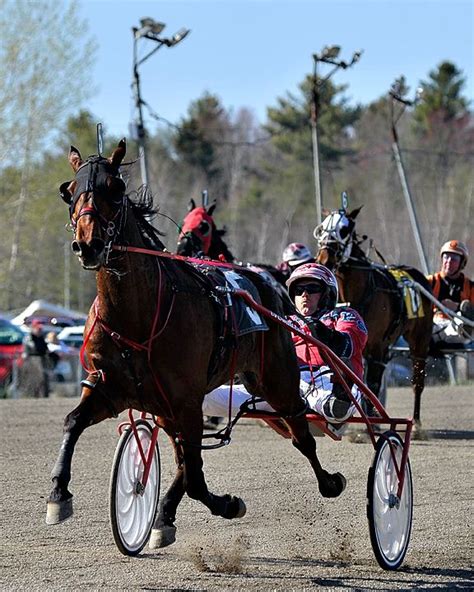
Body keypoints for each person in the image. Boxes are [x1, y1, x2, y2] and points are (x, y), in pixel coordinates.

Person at [203, 263, 368, 428]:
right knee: (203, 399)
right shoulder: (282, 320)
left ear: (328, 294)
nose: (304, 294)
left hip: (327, 377)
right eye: (298, 290)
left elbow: (348, 345)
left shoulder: (343, 315)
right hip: (282, 383)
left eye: (312, 288)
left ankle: (341, 399)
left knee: (332, 408)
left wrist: (323, 332)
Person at [427, 240, 474, 344]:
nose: (448, 261)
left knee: (462, 319)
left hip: (458, 328)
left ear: (462, 263)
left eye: (454, 259)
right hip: (434, 324)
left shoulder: (470, 287)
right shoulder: (430, 282)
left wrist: (457, 307)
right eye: (446, 257)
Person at [24, 320, 50, 397]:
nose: (40, 331)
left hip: (41, 359)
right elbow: (34, 348)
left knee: (44, 378)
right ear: (33, 328)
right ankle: (33, 395)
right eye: (38, 329)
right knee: (35, 379)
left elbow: (46, 349)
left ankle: (44, 395)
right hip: (33, 359)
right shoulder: (30, 337)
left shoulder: (41, 338)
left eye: (40, 329)